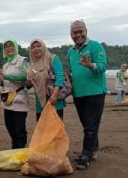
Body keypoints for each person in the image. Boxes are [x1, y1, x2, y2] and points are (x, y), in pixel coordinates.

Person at [67, 20, 107, 170]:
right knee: (88, 125)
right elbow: (72, 71)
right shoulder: (71, 51)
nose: (78, 35)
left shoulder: (96, 46)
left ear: (86, 31)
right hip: (79, 94)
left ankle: (86, 155)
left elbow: (103, 67)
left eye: (80, 31)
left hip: (95, 93)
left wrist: (90, 65)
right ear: (71, 34)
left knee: (90, 127)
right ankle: (93, 150)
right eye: (74, 32)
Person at [0, 38, 29, 149]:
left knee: (19, 127)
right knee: (9, 125)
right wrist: (1, 80)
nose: (9, 48)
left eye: (11, 46)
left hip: (19, 99)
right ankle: (15, 145)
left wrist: (6, 76)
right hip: (7, 99)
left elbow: (24, 76)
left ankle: (21, 147)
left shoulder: (22, 60)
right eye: (6, 46)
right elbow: (4, 81)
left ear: (15, 47)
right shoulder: (5, 65)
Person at [26, 38, 65, 121]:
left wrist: (54, 94)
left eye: (38, 46)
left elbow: (60, 77)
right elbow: (28, 86)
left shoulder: (52, 58)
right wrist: (29, 80)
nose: (36, 49)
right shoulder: (31, 65)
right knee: (42, 131)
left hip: (55, 102)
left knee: (56, 131)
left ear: (43, 47)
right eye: (33, 47)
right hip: (40, 104)